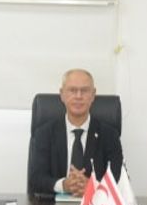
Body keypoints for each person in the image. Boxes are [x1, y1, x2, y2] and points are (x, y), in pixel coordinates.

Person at [28, 68, 124, 197]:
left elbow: (118, 178)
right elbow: (36, 178)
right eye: (72, 90)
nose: (78, 96)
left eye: (84, 90)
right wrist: (64, 185)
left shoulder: (109, 135)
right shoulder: (44, 133)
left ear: (93, 95)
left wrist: (93, 186)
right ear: (62, 94)